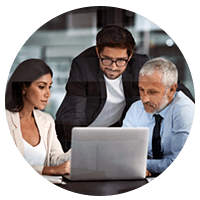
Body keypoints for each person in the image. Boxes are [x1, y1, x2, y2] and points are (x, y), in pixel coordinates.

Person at [56, 25, 194, 152]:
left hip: (111, 132)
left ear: (130, 55)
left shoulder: (139, 64)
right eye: (107, 59)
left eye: (121, 60)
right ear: (98, 52)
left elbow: (174, 87)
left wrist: (188, 111)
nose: (113, 67)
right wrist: (77, 146)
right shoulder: (83, 65)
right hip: (75, 133)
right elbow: (73, 112)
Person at [122, 58, 195, 176]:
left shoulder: (184, 110)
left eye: (152, 92)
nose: (144, 99)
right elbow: (121, 151)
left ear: (171, 90)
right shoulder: (136, 108)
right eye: (141, 90)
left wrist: (139, 164)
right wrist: (131, 165)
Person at [5, 59, 71, 175]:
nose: (48, 94)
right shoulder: (8, 118)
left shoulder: (47, 120)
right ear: (23, 87)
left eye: (49, 87)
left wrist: (79, 150)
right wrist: (47, 170)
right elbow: (52, 168)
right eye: (41, 87)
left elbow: (56, 158)